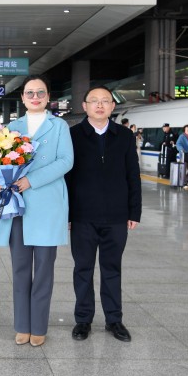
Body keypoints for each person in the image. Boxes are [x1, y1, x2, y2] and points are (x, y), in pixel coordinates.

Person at [0, 76, 73, 347]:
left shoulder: (59, 126)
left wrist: (31, 180)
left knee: (44, 269)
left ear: (48, 97)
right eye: (30, 93)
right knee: (20, 269)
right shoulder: (12, 127)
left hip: (48, 205)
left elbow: (66, 161)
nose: (35, 97)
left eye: (40, 93)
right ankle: (22, 325)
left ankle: (39, 326)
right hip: (17, 207)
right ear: (22, 98)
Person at [66, 85, 142, 343]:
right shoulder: (73, 135)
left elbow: (133, 175)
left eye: (105, 101)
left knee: (112, 268)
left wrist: (134, 211)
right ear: (84, 106)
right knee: (83, 269)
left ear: (112, 106)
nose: (100, 105)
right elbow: (66, 178)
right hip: (82, 216)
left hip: (117, 216)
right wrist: (67, 214)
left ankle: (114, 319)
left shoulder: (124, 136)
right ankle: (83, 320)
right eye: (94, 101)